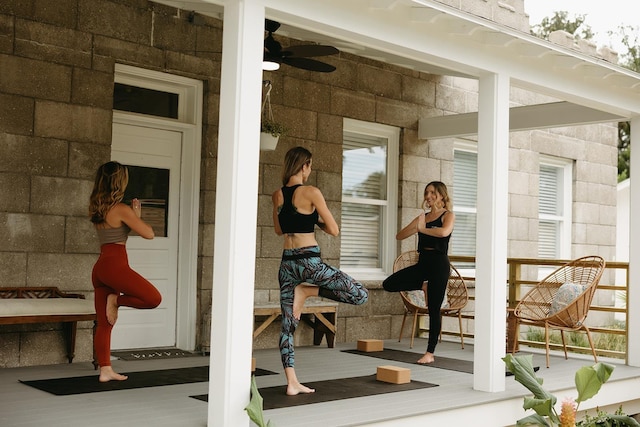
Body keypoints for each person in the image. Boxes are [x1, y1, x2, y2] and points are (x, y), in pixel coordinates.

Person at [272, 146, 369, 396]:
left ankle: (292, 382)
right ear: (304, 166)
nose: (310, 170)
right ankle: (309, 290)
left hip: (287, 265)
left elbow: (279, 230)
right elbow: (334, 229)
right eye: (310, 165)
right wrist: (317, 220)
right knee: (360, 295)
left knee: (287, 327)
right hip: (309, 263)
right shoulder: (312, 192)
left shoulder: (278, 195)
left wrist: (306, 219)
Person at [88, 161, 162, 382]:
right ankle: (116, 301)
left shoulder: (96, 207)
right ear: (121, 181)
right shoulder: (121, 209)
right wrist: (136, 216)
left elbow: (116, 230)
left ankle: (105, 369)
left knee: (105, 323)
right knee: (153, 298)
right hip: (115, 266)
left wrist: (132, 217)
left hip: (101, 266)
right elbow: (149, 234)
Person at [383, 181, 455, 365]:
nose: (428, 196)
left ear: (441, 195)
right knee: (389, 284)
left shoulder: (448, 215)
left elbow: (444, 233)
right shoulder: (422, 217)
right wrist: (416, 225)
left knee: (434, 309)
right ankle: (423, 285)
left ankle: (430, 352)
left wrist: (422, 229)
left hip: (439, 264)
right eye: (426, 193)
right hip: (423, 263)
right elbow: (400, 235)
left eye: (432, 192)